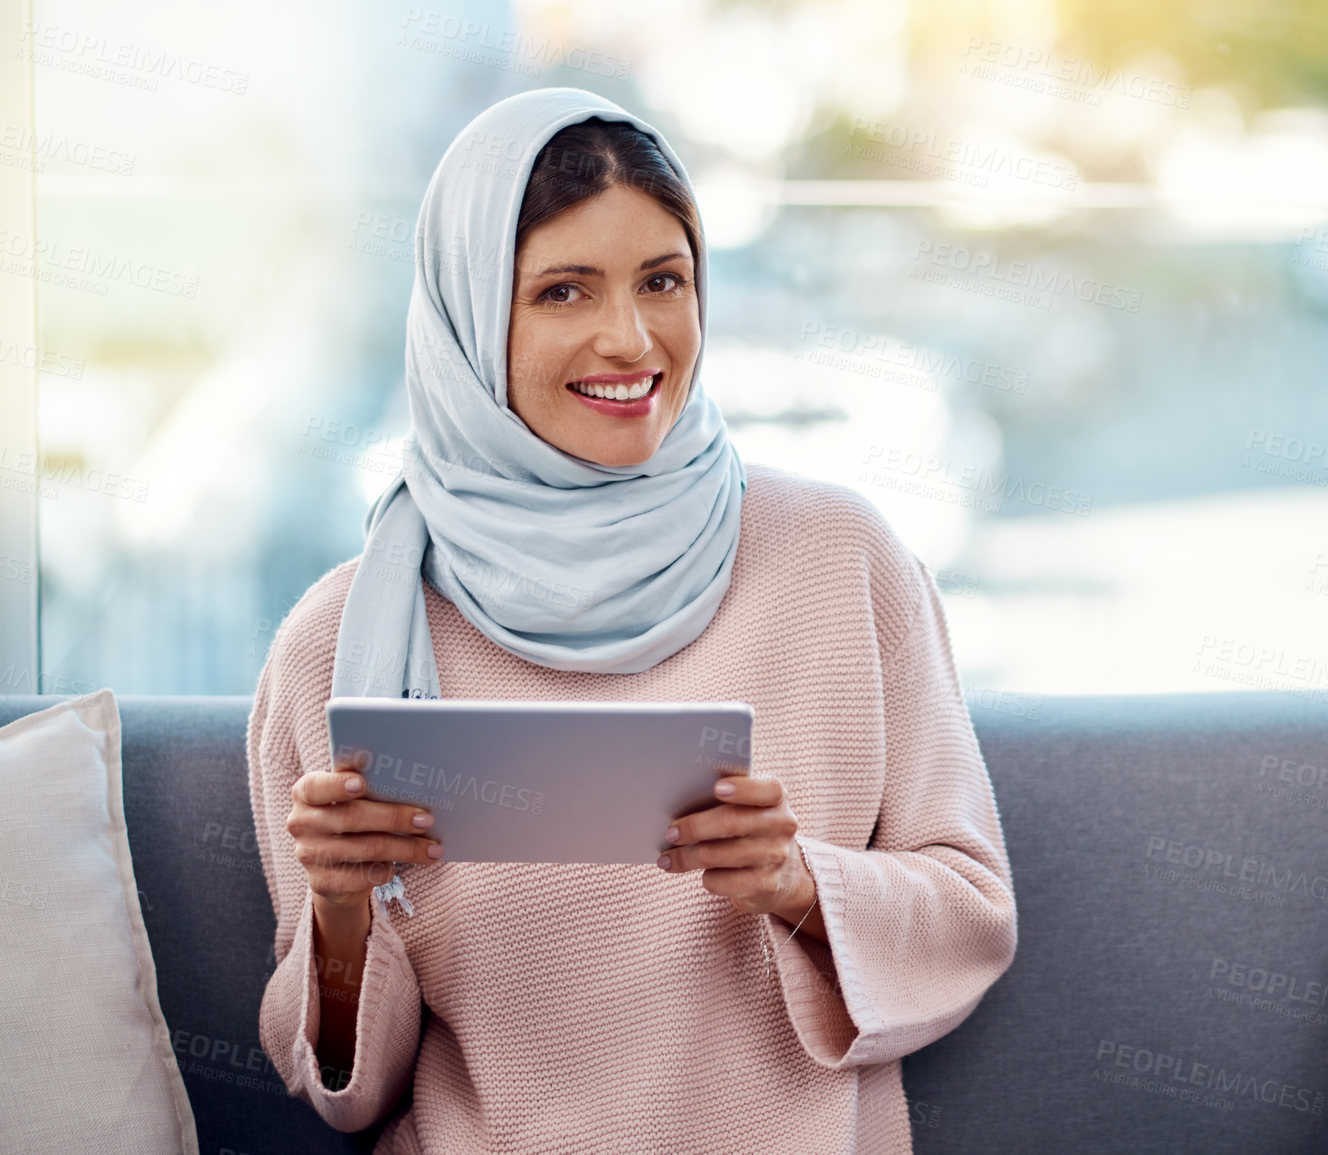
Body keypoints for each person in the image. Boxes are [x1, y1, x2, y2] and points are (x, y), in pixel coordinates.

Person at [246, 87, 1018, 1154]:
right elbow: (345, 1091)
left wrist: (799, 886)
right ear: (471, 319)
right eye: (564, 292)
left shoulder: (843, 560)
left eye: (664, 281)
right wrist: (339, 913)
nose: (631, 338)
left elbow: (971, 912)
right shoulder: (342, 643)